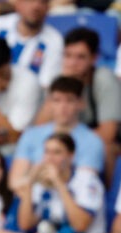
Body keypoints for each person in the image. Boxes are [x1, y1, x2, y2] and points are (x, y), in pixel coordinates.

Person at [39, 28, 121, 182]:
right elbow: (39, 126)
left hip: (110, 143)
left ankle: (104, 198)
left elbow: (108, 134)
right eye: (68, 56)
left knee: (106, 148)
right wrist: (62, 85)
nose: (72, 63)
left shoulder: (103, 80)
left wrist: (68, 140)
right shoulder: (61, 78)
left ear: (94, 58)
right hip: (73, 139)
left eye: (80, 57)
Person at [9, 76, 105, 189]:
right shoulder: (31, 135)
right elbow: (14, 183)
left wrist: (45, 175)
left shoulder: (92, 141)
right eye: (57, 100)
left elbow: (85, 187)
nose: (63, 107)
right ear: (49, 103)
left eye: (69, 100)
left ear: (81, 103)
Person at [16, 133, 105, 233]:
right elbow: (25, 225)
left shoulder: (87, 180)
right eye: (46, 152)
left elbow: (80, 225)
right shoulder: (40, 184)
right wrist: (29, 184)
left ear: (71, 156)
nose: (50, 158)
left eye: (57, 153)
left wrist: (59, 183)